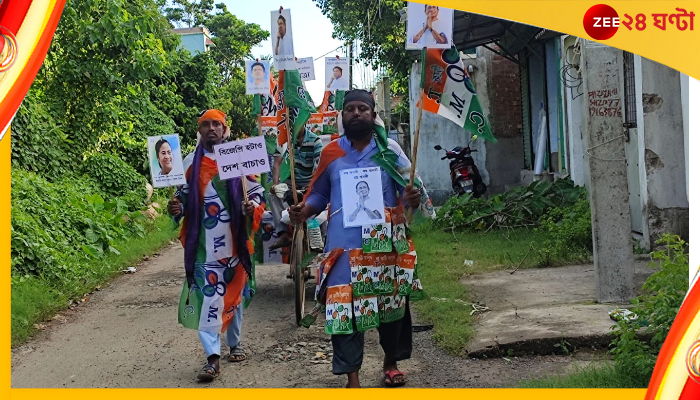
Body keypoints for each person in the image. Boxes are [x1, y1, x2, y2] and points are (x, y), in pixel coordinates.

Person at [289, 90, 422, 388]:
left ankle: (391, 362)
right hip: (343, 247)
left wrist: (410, 197)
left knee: (391, 303)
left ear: (373, 114)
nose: (356, 113)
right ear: (342, 116)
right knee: (343, 307)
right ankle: (353, 377)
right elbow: (320, 194)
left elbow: (407, 189)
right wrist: (304, 209)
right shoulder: (331, 153)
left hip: (384, 245)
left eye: (363, 108)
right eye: (350, 109)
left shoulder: (390, 150)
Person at [168, 109, 265, 382]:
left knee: (234, 295)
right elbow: (183, 197)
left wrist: (252, 208)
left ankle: (234, 343)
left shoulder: (240, 156)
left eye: (216, 124)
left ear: (225, 129)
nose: (211, 129)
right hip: (203, 246)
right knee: (208, 296)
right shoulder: (190, 162)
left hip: (235, 244)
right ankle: (212, 358)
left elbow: (257, 193)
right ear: (199, 131)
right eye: (206, 125)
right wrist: (176, 206)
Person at [269, 127, 323, 250]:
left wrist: (311, 186)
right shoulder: (283, 141)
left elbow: (318, 167)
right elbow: (277, 163)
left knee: (319, 201)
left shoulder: (315, 141)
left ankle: (318, 236)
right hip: (288, 183)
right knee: (272, 195)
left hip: (310, 182)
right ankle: (283, 234)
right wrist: (275, 184)